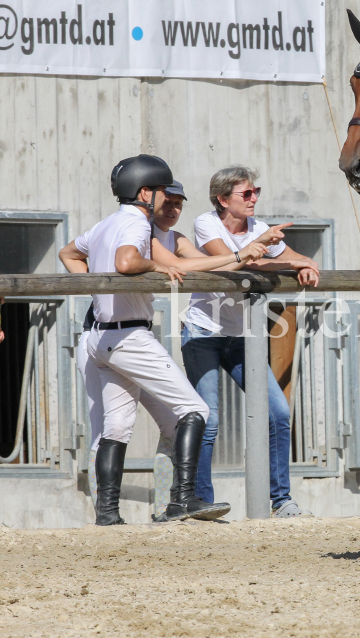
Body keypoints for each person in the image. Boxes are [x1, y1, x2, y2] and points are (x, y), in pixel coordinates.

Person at [74, 181, 272, 510]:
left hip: (121, 335)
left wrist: (244, 253)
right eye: (168, 201)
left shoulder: (168, 235)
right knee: (167, 417)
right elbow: (164, 264)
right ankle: (176, 501)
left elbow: (216, 265)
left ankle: (132, 511)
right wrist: (96, 291)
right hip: (114, 335)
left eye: (179, 203)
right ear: (149, 198)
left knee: (155, 425)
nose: (173, 208)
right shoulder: (140, 228)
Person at [57, 155, 230, 525]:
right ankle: (183, 500)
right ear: (144, 192)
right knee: (195, 410)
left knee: (116, 427)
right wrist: (155, 265)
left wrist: (96, 293)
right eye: (161, 192)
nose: (165, 200)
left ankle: (108, 515)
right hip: (130, 335)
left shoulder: (106, 224)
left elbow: (68, 253)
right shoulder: (136, 222)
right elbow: (127, 262)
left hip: (101, 337)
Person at [181, 166, 320, 519]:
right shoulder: (205, 223)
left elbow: (293, 259)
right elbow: (235, 266)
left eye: (256, 191)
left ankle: (281, 500)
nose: (255, 198)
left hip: (243, 337)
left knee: (278, 413)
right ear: (222, 199)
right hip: (203, 333)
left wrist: (302, 266)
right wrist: (278, 258)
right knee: (208, 418)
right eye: (247, 193)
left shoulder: (261, 230)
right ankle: (200, 501)